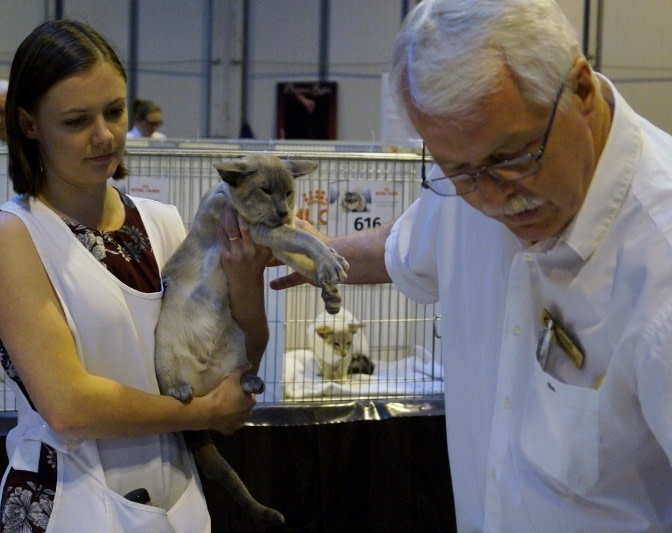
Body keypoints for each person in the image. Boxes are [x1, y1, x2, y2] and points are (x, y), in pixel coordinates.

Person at [271, 0, 672, 530]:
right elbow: (405, 245)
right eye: (457, 170)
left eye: (514, 158)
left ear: (579, 90)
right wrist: (318, 251)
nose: (492, 199)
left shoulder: (658, 259)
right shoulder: (472, 175)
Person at [0, 19, 270, 531]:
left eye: (114, 111)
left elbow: (232, 366)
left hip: (177, 504)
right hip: (66, 502)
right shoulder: (10, 237)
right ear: (28, 124)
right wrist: (202, 413)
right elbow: (69, 407)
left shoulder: (164, 224)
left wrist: (247, 284)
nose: (105, 135)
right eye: (76, 121)